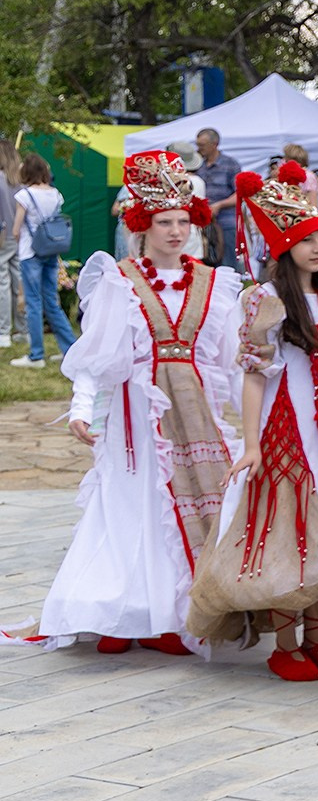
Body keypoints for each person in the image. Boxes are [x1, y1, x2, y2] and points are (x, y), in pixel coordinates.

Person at [7, 152, 239, 657]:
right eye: (164, 222)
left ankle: (171, 617)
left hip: (194, 415)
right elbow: (96, 355)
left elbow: (229, 362)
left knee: (181, 510)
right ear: (143, 226)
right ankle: (118, 610)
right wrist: (83, 407)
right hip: (137, 417)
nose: (175, 231)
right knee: (132, 506)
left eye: (183, 221)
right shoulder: (121, 279)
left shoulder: (213, 283)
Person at [191, 163, 318, 680]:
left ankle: (317, 635)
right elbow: (253, 376)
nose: (317, 248)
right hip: (287, 430)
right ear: (282, 247)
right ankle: (286, 643)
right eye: (305, 239)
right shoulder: (265, 300)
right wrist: (251, 444)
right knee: (290, 536)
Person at [10, 152, 76, 369]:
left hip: (31, 252)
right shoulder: (55, 194)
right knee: (52, 302)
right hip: (51, 251)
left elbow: (17, 229)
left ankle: (36, 355)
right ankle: (70, 350)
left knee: (33, 303)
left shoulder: (24, 195)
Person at [193, 129, 242, 272]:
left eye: (202, 145)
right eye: (197, 144)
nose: (199, 149)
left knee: (227, 266)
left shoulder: (230, 164)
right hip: (203, 225)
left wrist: (220, 205)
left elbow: (240, 194)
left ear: (215, 144)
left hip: (226, 223)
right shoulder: (198, 165)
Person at [0, 140, 18, 350]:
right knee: (17, 282)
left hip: (3, 234)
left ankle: (4, 331)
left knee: (3, 283)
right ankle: (21, 329)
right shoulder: (19, 180)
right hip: (18, 235)